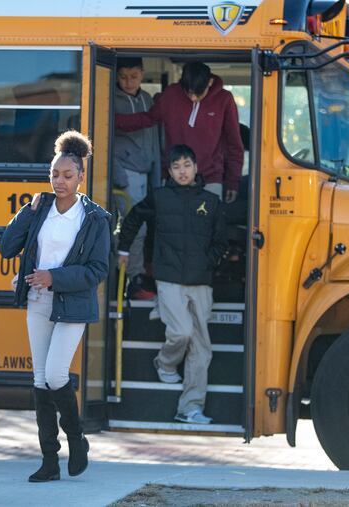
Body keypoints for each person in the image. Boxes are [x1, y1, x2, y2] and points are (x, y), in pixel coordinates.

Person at [0, 131, 110, 482]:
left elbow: (97, 271)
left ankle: (76, 440)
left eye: (67, 175)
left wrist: (53, 278)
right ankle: (49, 461)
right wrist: (25, 213)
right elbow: (7, 247)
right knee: (40, 380)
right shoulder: (40, 207)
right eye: (54, 175)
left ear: (80, 176)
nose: (59, 181)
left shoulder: (95, 218)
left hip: (73, 303)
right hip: (37, 300)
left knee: (56, 375)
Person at [117, 144, 227, 424]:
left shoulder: (211, 201)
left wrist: (208, 262)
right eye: (176, 166)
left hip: (201, 281)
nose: (182, 171)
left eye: (187, 165)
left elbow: (221, 242)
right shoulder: (160, 197)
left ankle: (190, 409)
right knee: (181, 333)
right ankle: (164, 362)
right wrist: (124, 250)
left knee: (202, 348)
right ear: (169, 171)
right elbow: (132, 219)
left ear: (196, 168)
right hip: (168, 279)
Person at [115, 61, 244, 204]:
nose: (193, 98)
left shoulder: (224, 99)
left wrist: (233, 181)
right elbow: (148, 119)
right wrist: (109, 119)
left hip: (210, 178)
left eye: (198, 94)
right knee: (171, 225)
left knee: (206, 225)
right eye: (189, 93)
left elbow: (234, 143)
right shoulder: (172, 94)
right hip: (173, 178)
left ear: (210, 82)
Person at [113, 57, 161, 300]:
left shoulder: (148, 100)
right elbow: (104, 140)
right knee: (135, 229)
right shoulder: (110, 101)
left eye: (133, 76)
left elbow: (153, 141)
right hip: (124, 174)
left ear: (142, 74)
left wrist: (156, 176)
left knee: (146, 227)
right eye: (122, 76)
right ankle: (133, 280)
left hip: (145, 173)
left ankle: (138, 274)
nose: (128, 82)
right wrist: (118, 175)